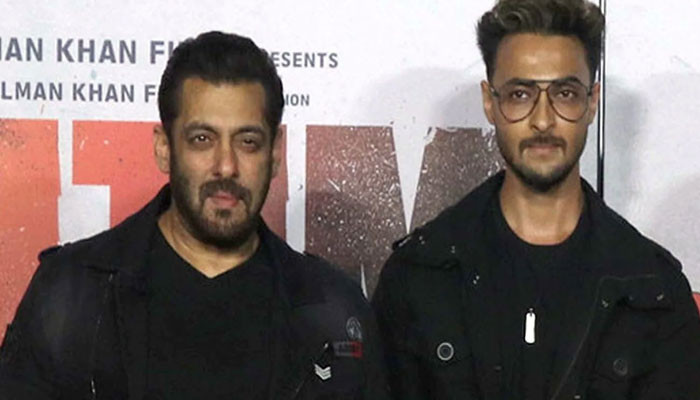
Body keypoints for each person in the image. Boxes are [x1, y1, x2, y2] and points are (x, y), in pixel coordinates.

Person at [0, 31, 388, 400]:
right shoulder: (71, 293)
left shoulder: (335, 313)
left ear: (274, 154)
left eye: (248, 142)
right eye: (202, 139)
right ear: (164, 148)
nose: (226, 166)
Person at [372, 0, 700, 398]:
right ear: (490, 102)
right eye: (520, 94)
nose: (543, 120)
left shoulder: (654, 289)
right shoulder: (418, 276)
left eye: (565, 93)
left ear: (591, 102)